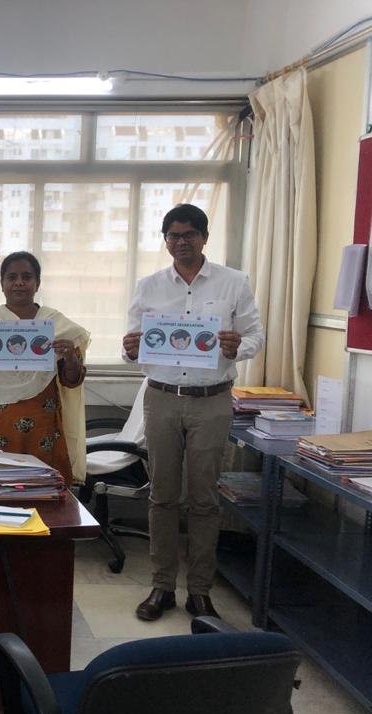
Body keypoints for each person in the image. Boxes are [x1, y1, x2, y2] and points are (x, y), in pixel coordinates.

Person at [122, 204, 264, 621]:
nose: (181, 242)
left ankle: (200, 591)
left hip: (212, 400)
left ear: (204, 238)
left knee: (204, 498)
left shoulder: (234, 281)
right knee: (162, 496)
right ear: (165, 241)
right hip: (162, 397)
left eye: (189, 234)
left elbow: (255, 334)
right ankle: (162, 586)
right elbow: (131, 345)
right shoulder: (149, 286)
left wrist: (239, 346)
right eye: (173, 235)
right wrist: (129, 348)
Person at [0, 252, 89, 485]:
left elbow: (71, 380)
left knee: (42, 491)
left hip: (41, 424)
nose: (19, 282)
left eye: (27, 277)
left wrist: (71, 357)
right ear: (2, 285)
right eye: (12, 277)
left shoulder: (57, 325)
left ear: (37, 283)